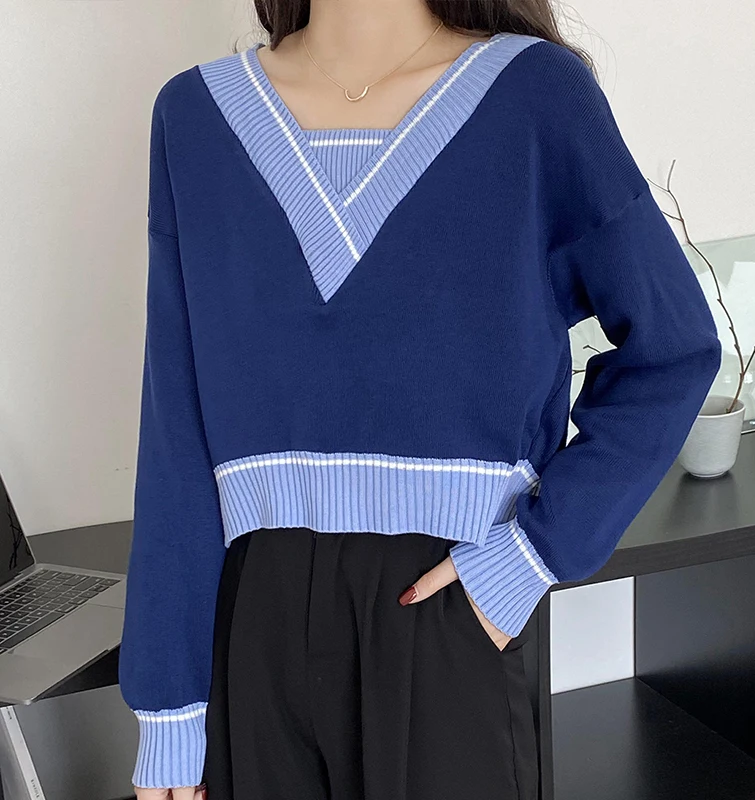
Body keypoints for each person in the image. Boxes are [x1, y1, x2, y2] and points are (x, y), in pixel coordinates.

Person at [118, 1, 722, 798]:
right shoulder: (194, 116)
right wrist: (168, 705)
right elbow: (176, 426)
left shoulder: (536, 97)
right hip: (250, 620)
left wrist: (527, 560)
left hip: (445, 607)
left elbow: (672, 350)